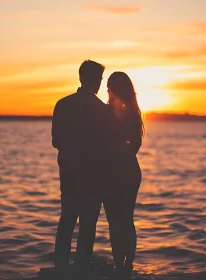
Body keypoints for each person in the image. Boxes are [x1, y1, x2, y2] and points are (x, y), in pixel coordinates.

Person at [51, 60, 110, 279]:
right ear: (93, 80)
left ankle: (61, 268)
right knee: (87, 223)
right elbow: (107, 146)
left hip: (70, 173)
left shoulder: (63, 104)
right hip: (92, 176)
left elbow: (56, 140)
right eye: (100, 79)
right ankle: (81, 268)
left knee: (67, 220)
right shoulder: (102, 110)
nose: (100, 83)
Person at [103, 72, 144, 280]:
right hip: (122, 171)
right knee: (122, 221)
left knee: (120, 221)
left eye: (110, 85)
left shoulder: (120, 113)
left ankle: (124, 267)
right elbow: (133, 145)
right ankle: (123, 267)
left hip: (121, 172)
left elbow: (131, 145)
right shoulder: (130, 113)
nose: (107, 89)